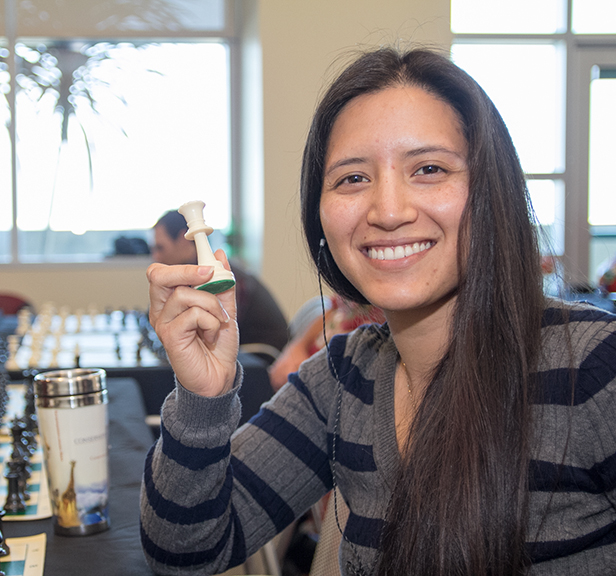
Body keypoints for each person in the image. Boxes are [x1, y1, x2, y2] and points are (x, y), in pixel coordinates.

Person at [141, 46, 616, 576]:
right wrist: (202, 399)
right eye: (352, 178)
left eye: (429, 169)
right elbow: (186, 552)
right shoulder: (342, 379)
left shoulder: (595, 372)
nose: (389, 212)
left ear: (491, 192)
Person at [152, 209, 289, 352]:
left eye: (160, 248)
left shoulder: (227, 280)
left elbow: (215, 332)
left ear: (183, 240)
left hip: (263, 356)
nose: (156, 257)